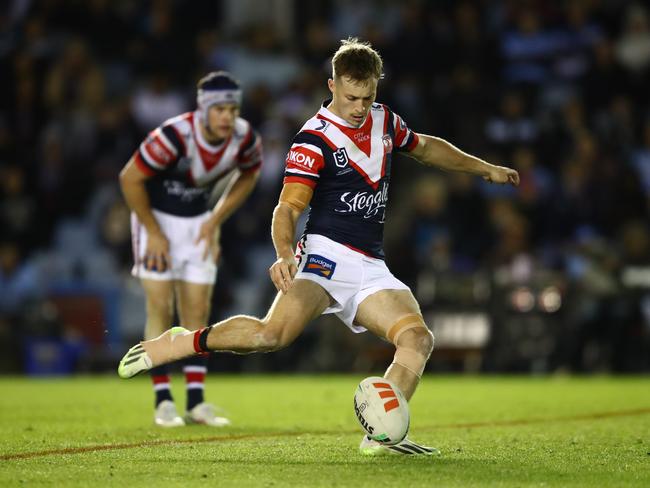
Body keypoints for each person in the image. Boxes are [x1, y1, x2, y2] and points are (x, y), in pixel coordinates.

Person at [118, 39, 518, 453]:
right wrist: (285, 253)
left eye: (368, 96)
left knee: (417, 339)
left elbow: (426, 147)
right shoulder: (313, 140)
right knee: (271, 335)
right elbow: (287, 208)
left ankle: (380, 432)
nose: (360, 107)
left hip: (370, 264)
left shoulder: (384, 120)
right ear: (331, 85)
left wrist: (484, 168)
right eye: (351, 97)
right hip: (323, 257)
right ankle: (182, 341)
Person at [119, 71, 262, 427]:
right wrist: (152, 232)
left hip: (198, 223)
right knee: (161, 306)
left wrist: (215, 220)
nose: (228, 116)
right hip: (157, 220)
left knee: (197, 312)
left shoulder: (244, 138)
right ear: (203, 111)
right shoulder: (172, 136)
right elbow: (129, 178)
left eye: (233, 108)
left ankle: (196, 402)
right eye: (220, 109)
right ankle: (163, 400)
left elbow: (250, 173)